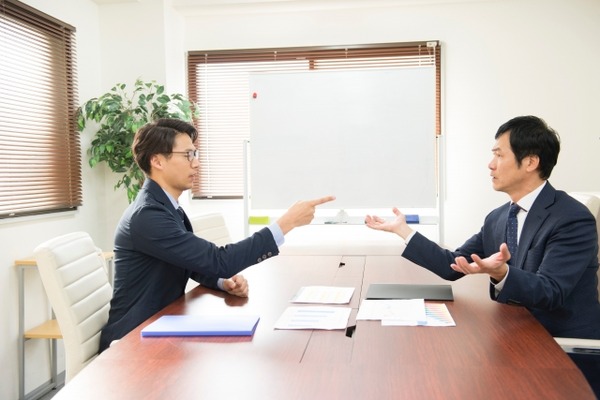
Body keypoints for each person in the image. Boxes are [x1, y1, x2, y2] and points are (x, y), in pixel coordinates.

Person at [365, 115, 600, 394]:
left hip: (558, 349)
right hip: (515, 335)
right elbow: (452, 265)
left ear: (530, 162)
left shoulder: (571, 218)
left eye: (499, 155)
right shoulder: (499, 218)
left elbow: (551, 291)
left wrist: (502, 274)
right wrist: (404, 231)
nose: (490, 165)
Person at [99, 118, 335, 352]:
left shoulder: (164, 206)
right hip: (131, 340)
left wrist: (223, 282)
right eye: (188, 155)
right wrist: (286, 223)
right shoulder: (148, 215)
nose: (196, 163)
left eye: (196, 154)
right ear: (157, 161)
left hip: (160, 326)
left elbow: (191, 263)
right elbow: (219, 260)